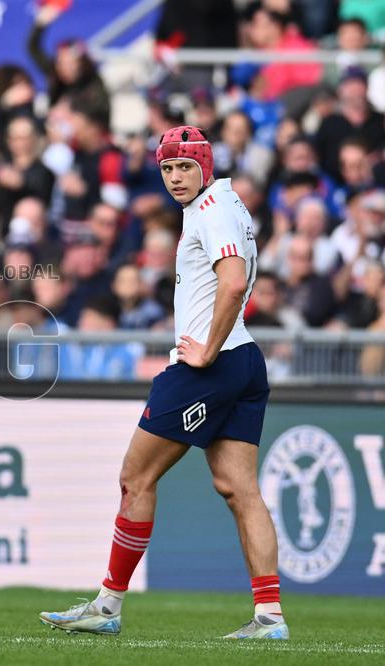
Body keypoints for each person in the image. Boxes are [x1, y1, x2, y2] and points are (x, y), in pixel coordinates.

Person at [40, 126, 287, 640]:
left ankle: (107, 605)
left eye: (184, 167)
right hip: (244, 361)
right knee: (240, 489)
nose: (175, 177)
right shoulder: (228, 203)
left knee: (136, 478)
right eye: (167, 168)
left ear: (205, 166)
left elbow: (235, 280)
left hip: (209, 366)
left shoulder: (212, 208)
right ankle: (270, 617)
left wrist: (208, 348)